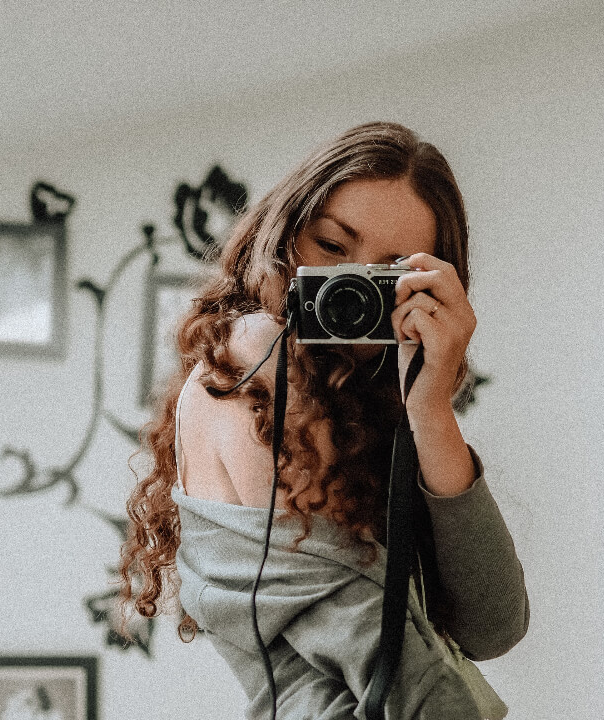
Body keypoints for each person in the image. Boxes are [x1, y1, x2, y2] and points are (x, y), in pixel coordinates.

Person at [118, 122, 529, 719]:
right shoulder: (258, 351)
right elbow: (366, 637)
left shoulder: (370, 410)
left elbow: (493, 625)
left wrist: (432, 410)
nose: (350, 284)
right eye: (333, 248)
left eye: (389, 271)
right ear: (282, 236)